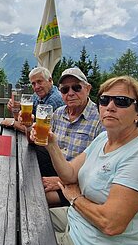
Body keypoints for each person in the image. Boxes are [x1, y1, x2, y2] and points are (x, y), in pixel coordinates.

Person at [32, 76, 138, 244]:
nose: (110, 107)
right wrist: (51, 144)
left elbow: (110, 224)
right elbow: (69, 175)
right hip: (75, 221)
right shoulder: (103, 139)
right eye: (104, 100)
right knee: (23, 214)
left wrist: (75, 198)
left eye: (122, 101)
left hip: (88, 240)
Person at [41, 67, 104, 207]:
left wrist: (60, 181)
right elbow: (46, 144)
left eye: (76, 88)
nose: (70, 93)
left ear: (88, 89)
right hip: (55, 169)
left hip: (78, 184)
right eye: (65, 89)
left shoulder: (100, 119)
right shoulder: (58, 113)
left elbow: (100, 168)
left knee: (36, 197)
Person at [1, 66, 63, 132]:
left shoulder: (54, 99)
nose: (36, 87)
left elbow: (40, 130)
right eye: (33, 84)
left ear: (50, 80)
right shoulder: (37, 95)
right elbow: (25, 122)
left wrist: (13, 123)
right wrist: (15, 109)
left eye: (39, 82)